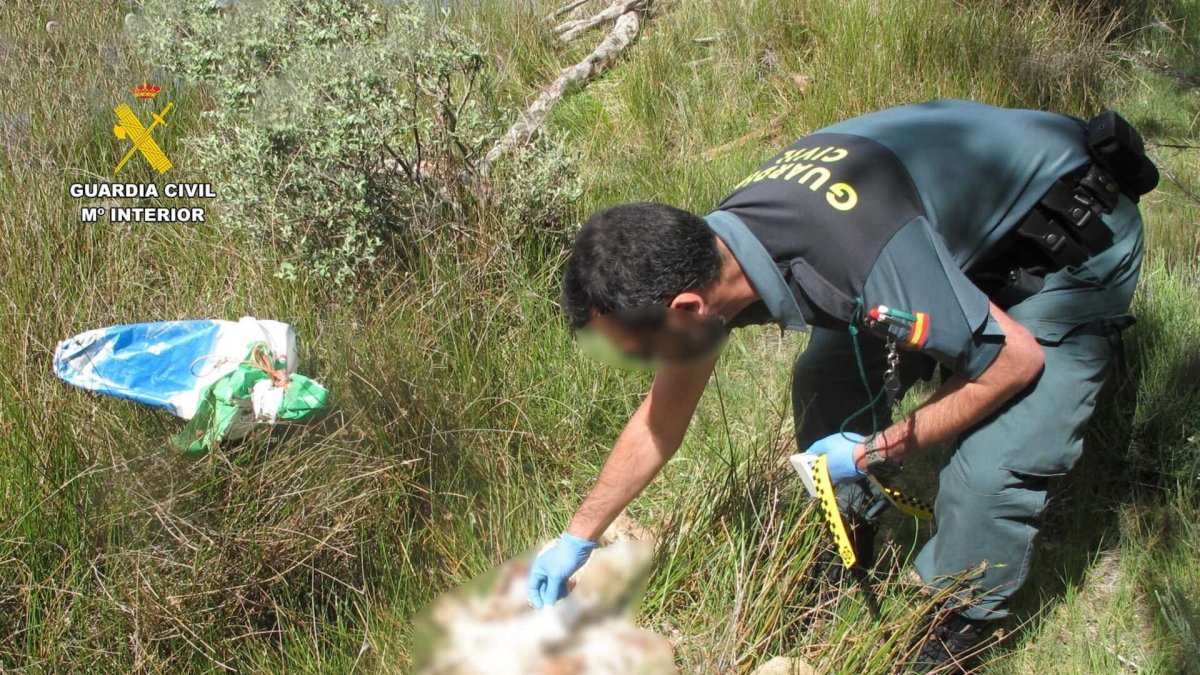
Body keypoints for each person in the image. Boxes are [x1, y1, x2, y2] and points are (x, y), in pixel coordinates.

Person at [525, 99, 1152, 671]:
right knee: (825, 379)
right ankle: (848, 540)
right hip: (944, 239)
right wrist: (578, 537)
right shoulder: (713, 251)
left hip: (1067, 237)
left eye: (643, 351)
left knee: (985, 473)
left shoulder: (850, 259)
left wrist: (872, 452)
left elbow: (1016, 361)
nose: (648, 366)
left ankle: (958, 625)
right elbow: (661, 420)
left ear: (687, 309)